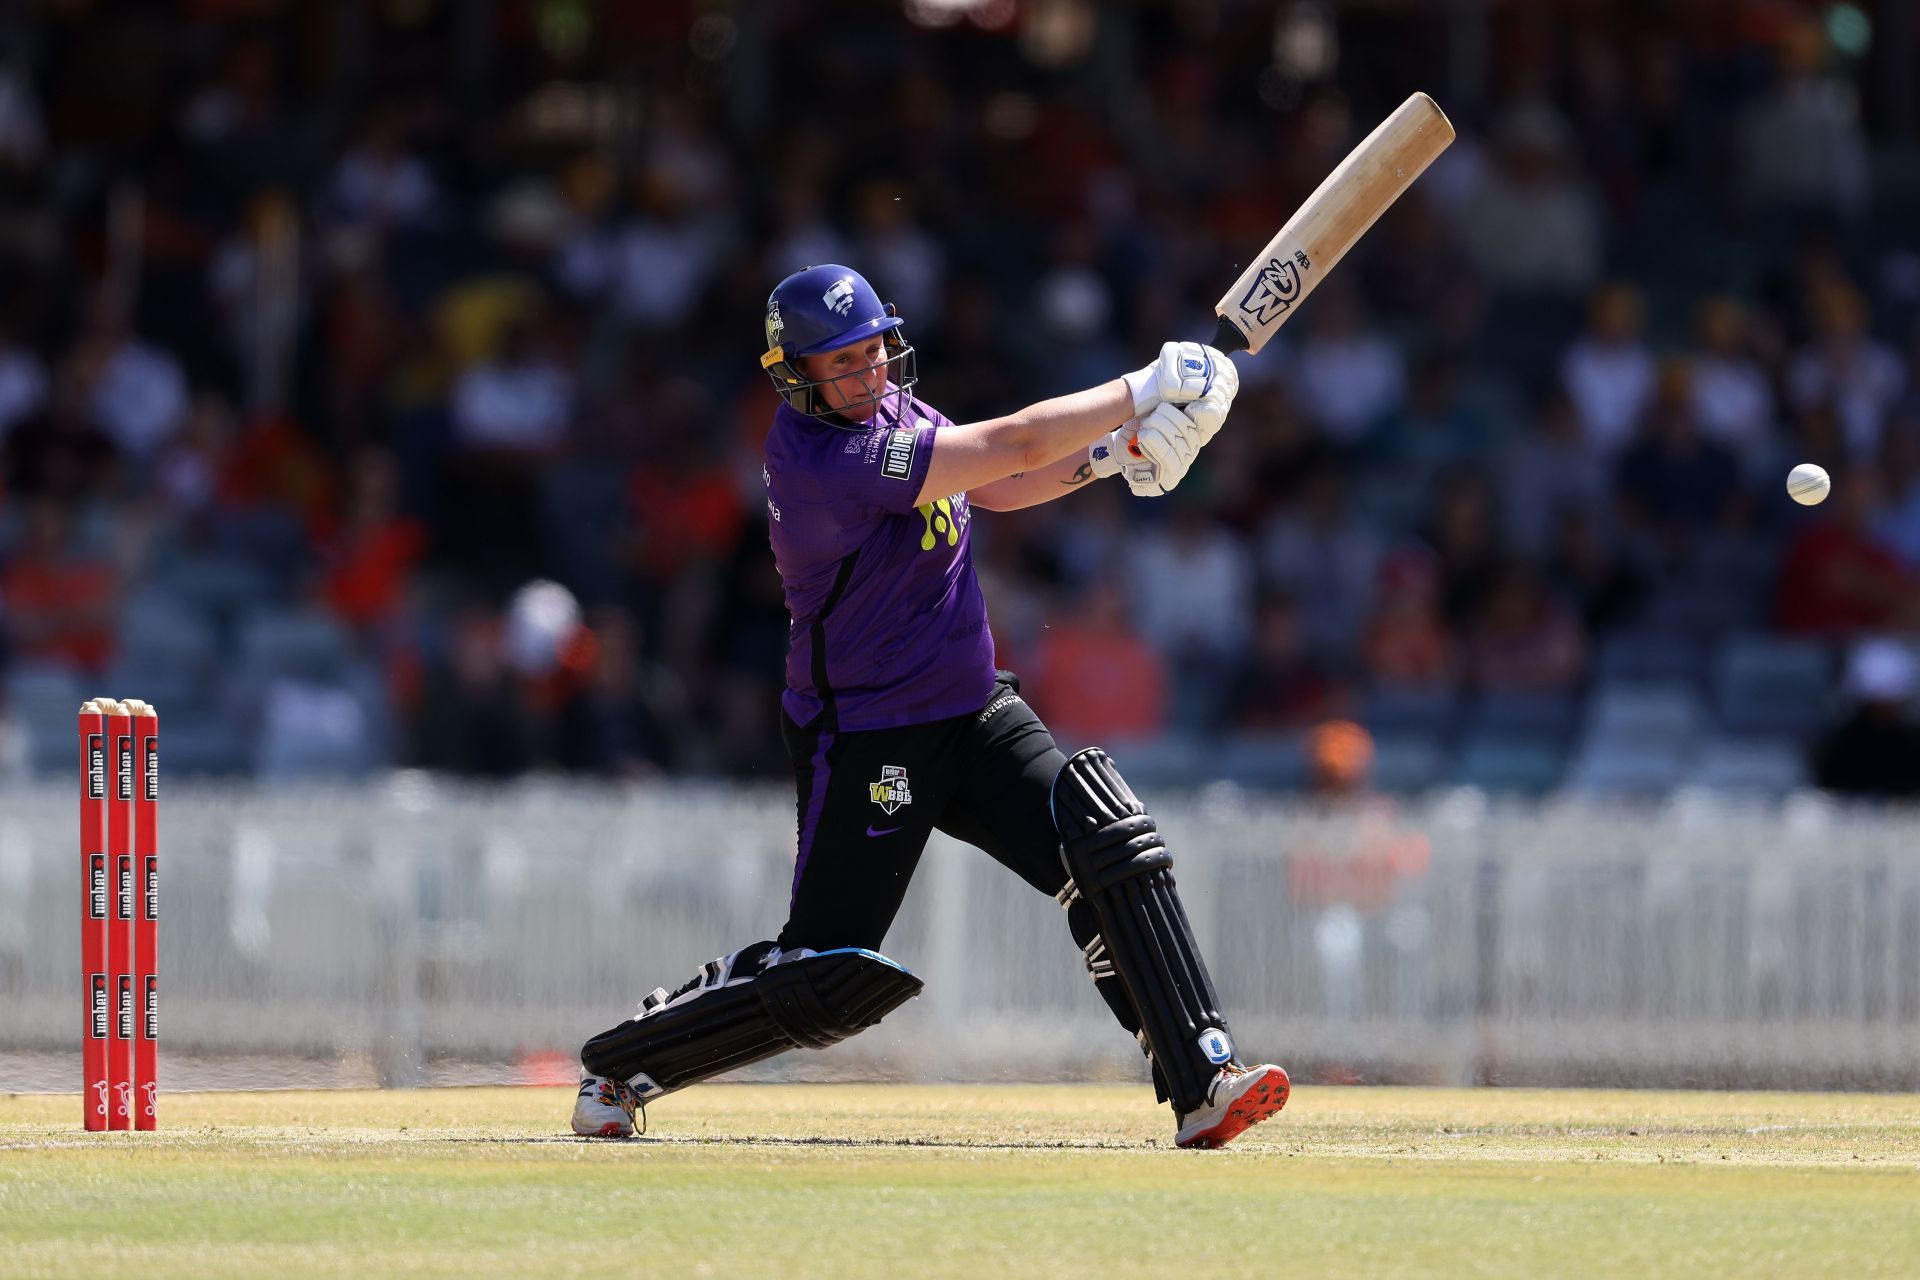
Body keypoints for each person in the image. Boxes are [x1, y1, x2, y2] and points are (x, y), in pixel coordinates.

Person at [570, 264, 1288, 1148]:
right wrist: (1140, 389)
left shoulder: (894, 414)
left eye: (875, 351)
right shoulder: (824, 461)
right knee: (827, 975)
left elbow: (1000, 483)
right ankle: (622, 1067)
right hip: (872, 738)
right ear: (797, 374)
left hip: (973, 708)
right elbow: (1015, 444)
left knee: (1105, 839)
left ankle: (1203, 1080)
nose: (869, 374)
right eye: (843, 363)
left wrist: (1116, 455)